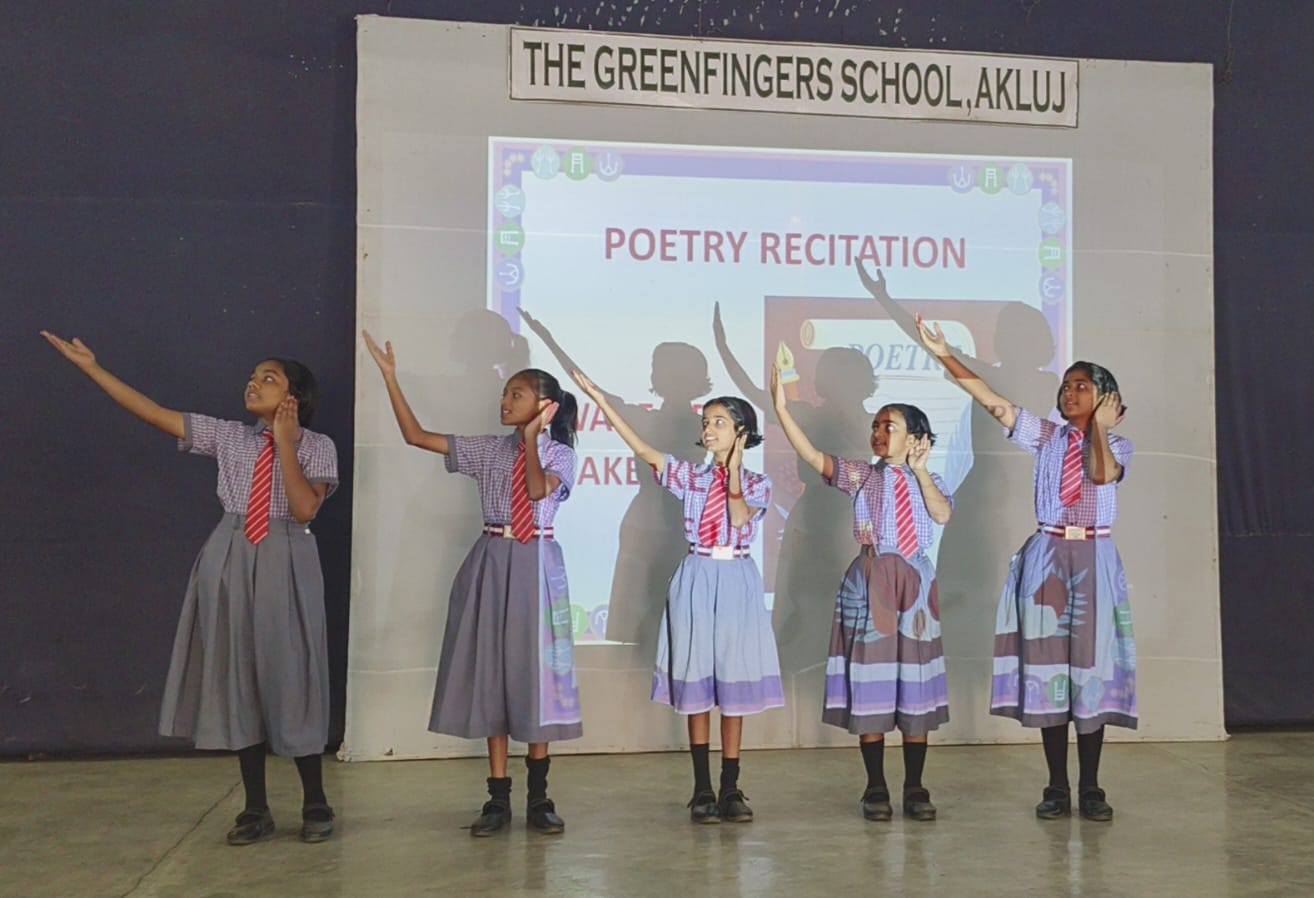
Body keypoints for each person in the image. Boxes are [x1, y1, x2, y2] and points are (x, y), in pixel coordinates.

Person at [41, 330, 339, 845]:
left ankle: (315, 799)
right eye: (252, 377)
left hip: (288, 553)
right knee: (236, 672)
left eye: (268, 379)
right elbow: (154, 412)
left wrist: (286, 444)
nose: (253, 384)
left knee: (292, 672)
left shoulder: (318, 446)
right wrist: (92, 367)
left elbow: (305, 508)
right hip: (230, 549)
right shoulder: (228, 436)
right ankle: (255, 807)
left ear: (294, 397)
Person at [363, 331, 582, 836]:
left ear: (545, 406)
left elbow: (534, 492)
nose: (504, 401)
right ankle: (497, 798)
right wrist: (391, 377)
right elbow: (416, 436)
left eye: (516, 394)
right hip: (491, 557)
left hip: (537, 561)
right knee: (492, 672)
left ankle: (539, 797)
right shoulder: (487, 449)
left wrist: (532, 441)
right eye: (505, 393)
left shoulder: (562, 455)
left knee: (537, 676)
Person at [917, 316, 1134, 822]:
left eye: (1082, 386)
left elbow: (1102, 473)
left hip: (1094, 556)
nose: (1069, 392)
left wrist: (1101, 429)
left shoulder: (1118, 445)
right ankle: (1056, 784)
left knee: (1091, 670)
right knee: (1049, 669)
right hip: (1049, 554)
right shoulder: (1046, 436)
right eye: (1066, 385)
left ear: (1107, 399)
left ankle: (1091, 786)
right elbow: (992, 401)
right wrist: (944, 353)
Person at [571, 370, 783, 824]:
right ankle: (702, 788)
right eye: (706, 422)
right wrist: (600, 399)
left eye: (720, 422)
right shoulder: (689, 477)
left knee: (733, 684)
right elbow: (642, 448)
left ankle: (731, 786)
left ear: (742, 432)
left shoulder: (758, 483)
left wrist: (734, 470)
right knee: (696, 681)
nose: (709, 429)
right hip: (696, 574)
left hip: (737, 577)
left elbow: (739, 517)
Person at [770, 363, 953, 821]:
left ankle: (915, 785)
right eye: (876, 425)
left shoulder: (930, 480)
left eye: (890, 427)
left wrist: (921, 471)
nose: (878, 433)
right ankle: (875, 785)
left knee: (914, 681)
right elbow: (813, 456)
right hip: (871, 576)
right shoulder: (861, 476)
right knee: (871, 680)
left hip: (915, 581)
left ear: (916, 438)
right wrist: (780, 407)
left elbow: (942, 515)